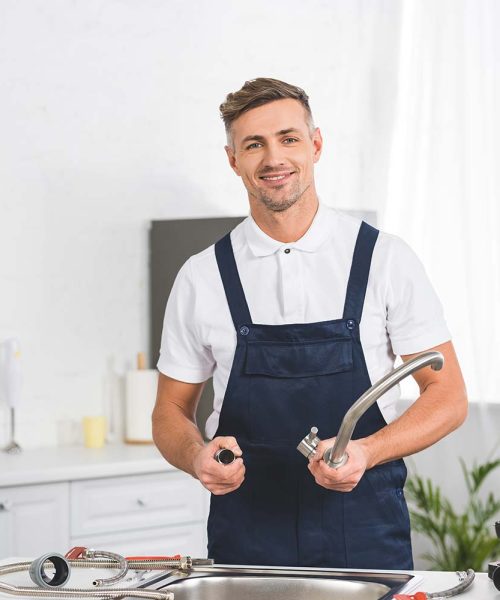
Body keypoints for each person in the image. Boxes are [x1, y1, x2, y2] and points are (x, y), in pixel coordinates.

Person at [152, 77, 467, 570]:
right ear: (234, 160)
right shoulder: (202, 275)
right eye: (254, 144)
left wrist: (366, 451)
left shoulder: (385, 259)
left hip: (364, 533)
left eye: (289, 138)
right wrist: (195, 455)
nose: (273, 158)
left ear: (315, 145)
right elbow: (170, 409)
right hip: (248, 541)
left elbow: (447, 397)